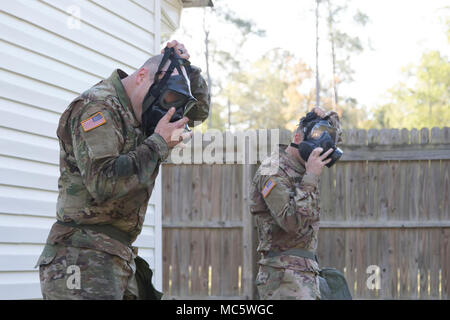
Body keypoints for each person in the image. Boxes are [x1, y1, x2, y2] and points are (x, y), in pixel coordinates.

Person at [35, 40, 210, 300]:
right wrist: (159, 142)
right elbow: (104, 183)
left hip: (114, 256)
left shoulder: (144, 112)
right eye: (166, 97)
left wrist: (187, 69)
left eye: (173, 100)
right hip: (81, 257)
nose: (165, 107)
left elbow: (198, 113)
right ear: (141, 77)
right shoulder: (97, 107)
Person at [250, 107, 342, 300]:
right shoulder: (273, 170)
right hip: (283, 277)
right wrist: (310, 178)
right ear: (298, 138)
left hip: (303, 274)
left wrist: (329, 118)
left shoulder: (303, 169)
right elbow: (290, 222)